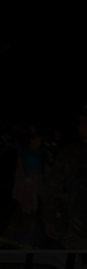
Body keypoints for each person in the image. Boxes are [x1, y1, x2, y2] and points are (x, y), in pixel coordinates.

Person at [42, 101, 87, 248]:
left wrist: (49, 218)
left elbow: (53, 188)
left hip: (75, 230)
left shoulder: (70, 153)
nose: (79, 127)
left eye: (81, 123)